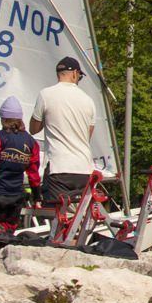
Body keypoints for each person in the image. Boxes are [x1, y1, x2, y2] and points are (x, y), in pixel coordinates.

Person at [30, 56, 99, 204]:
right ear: (75, 73)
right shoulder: (88, 100)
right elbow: (87, 136)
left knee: (57, 218)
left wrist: (48, 118)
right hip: (84, 168)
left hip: (59, 167)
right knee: (79, 218)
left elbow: (33, 129)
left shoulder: (46, 94)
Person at [0, 96, 40, 236]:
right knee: (9, 230)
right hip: (15, 194)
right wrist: (37, 197)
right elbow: (33, 174)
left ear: (3, 119)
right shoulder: (31, 142)